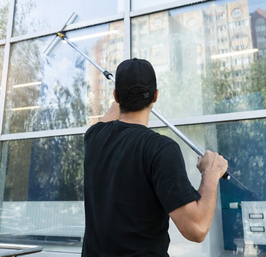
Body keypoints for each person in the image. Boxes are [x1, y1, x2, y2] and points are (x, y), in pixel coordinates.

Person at [82, 58, 228, 257]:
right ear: (156, 96)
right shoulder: (161, 149)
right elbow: (197, 229)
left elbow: (113, 110)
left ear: (115, 96)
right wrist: (211, 173)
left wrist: (125, 90)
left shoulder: (94, 137)